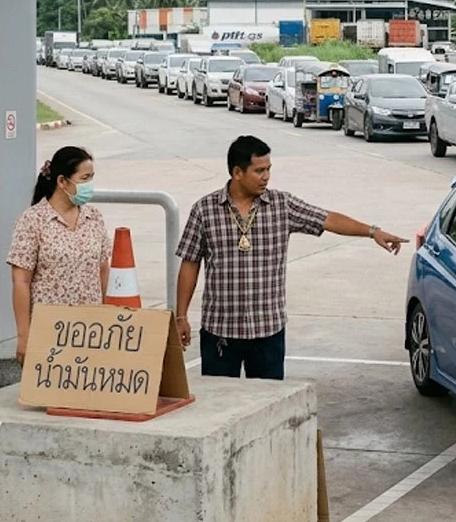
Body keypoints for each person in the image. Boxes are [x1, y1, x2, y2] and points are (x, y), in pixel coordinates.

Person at [174, 135, 407, 380]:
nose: (266, 177)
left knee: (270, 405)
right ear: (237, 172)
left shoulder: (281, 205)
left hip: (267, 332)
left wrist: (372, 232)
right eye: (259, 170)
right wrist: (181, 316)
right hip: (220, 331)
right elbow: (190, 263)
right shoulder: (205, 210)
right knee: (218, 403)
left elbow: (327, 219)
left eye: (269, 169)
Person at [7, 146, 112, 364]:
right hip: (49, 332)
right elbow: (21, 281)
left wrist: (106, 317)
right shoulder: (33, 220)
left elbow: (103, 269)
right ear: (62, 181)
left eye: (92, 177)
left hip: (89, 330)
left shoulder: (94, 218)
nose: (90, 185)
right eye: (84, 178)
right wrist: (23, 337)